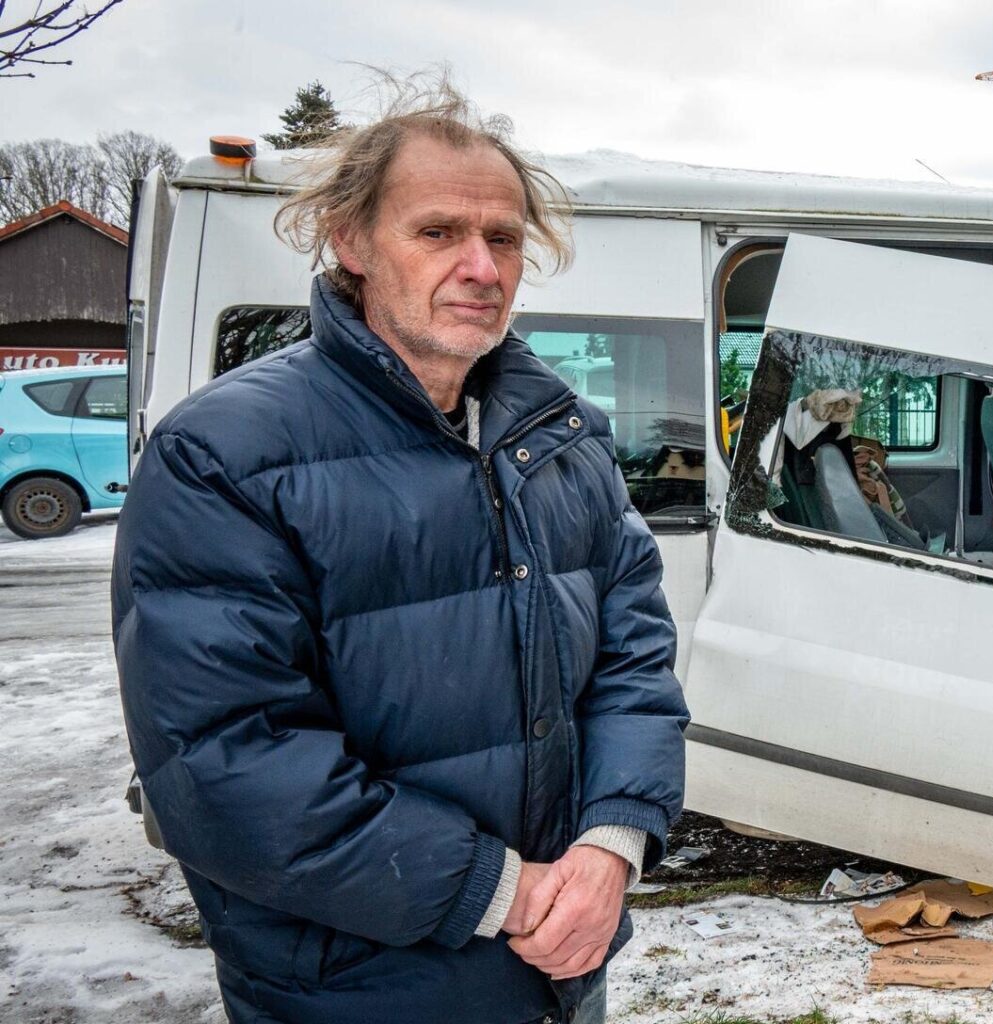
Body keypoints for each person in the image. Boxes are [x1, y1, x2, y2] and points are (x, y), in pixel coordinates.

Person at [111, 73, 687, 1024]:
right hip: (359, 986)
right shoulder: (225, 454)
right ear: (350, 240)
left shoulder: (564, 435)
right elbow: (225, 762)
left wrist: (611, 844)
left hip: (559, 972)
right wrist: (503, 894)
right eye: (437, 233)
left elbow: (636, 663)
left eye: (503, 238)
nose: (483, 266)